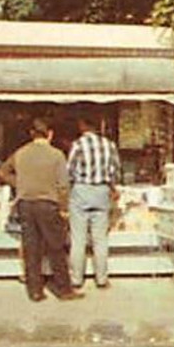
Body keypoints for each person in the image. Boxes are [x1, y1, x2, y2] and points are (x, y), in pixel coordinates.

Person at [0, 118, 83, 302]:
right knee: (56, 247)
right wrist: (64, 208)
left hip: (26, 204)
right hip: (48, 203)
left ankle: (35, 290)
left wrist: (19, 184)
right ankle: (63, 289)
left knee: (31, 248)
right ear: (50, 134)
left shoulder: (20, 153)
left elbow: (3, 172)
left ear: (31, 134)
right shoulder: (56, 155)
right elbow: (63, 185)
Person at [67, 113, 122, 290]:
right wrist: (112, 188)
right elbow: (115, 171)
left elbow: (69, 171)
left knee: (78, 238)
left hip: (81, 190)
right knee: (100, 239)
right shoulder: (109, 145)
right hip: (101, 191)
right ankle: (102, 278)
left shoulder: (78, 145)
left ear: (83, 125)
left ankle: (76, 279)